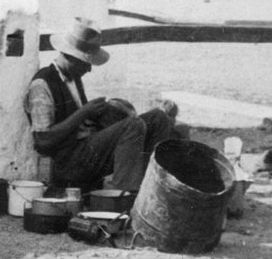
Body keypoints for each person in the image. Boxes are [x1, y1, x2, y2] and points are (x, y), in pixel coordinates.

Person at [24, 19, 172, 192]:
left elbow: (82, 120)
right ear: (72, 58)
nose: (89, 70)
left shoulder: (74, 78)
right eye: (87, 63)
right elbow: (43, 141)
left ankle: (152, 187)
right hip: (70, 162)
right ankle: (124, 197)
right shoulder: (42, 85)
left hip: (86, 150)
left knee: (158, 118)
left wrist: (106, 112)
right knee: (133, 126)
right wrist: (84, 112)